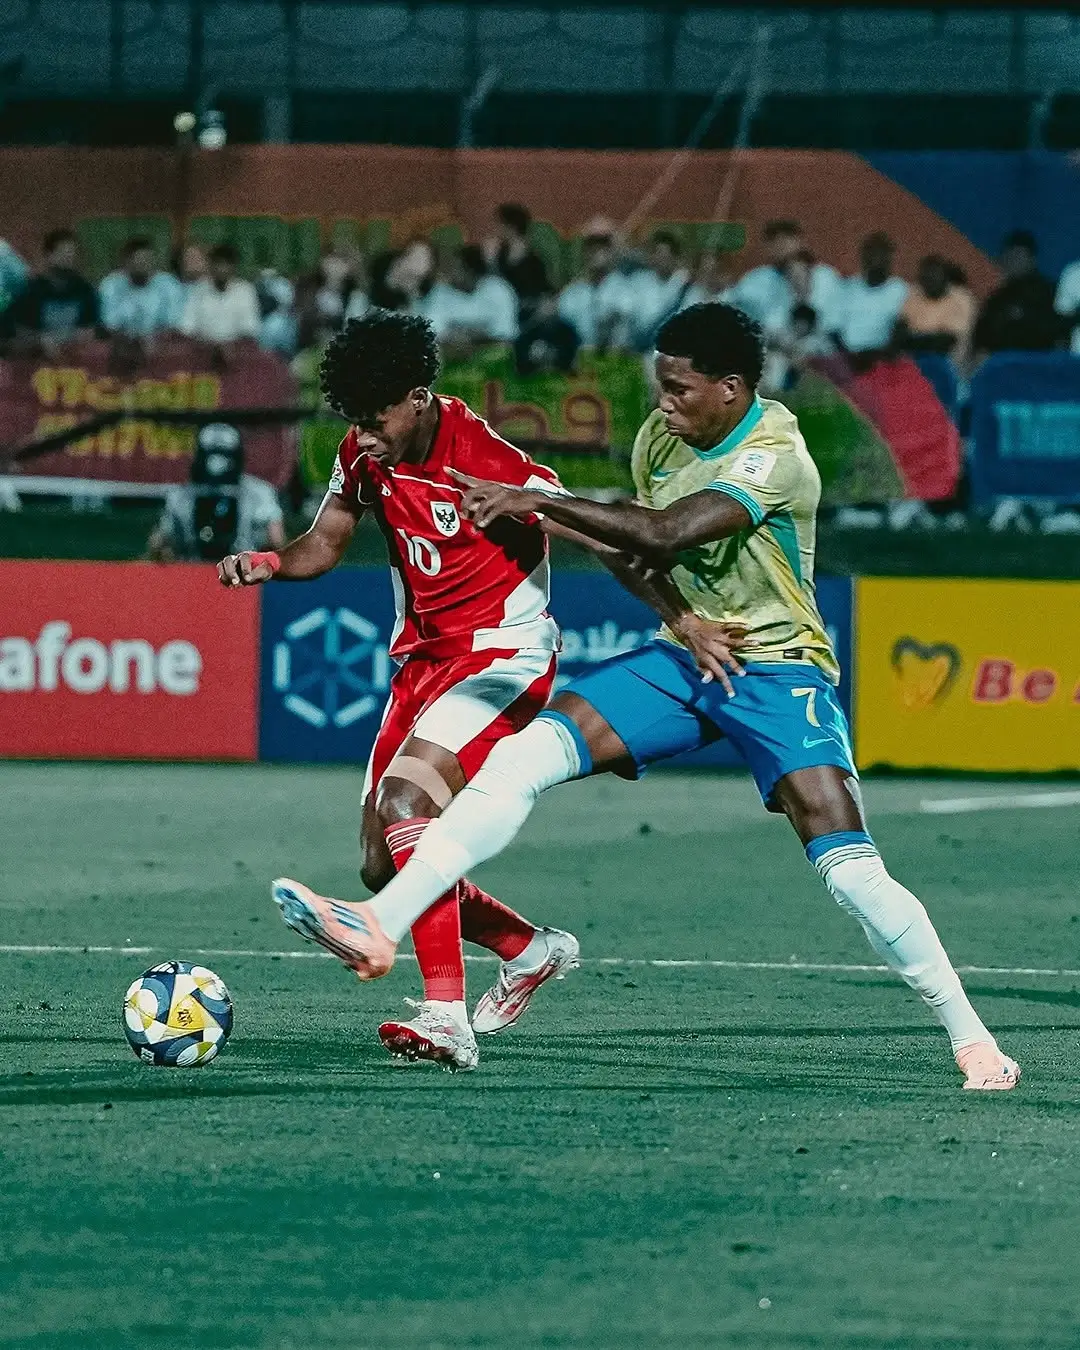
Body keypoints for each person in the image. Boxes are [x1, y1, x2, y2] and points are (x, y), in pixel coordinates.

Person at [277, 302, 1022, 1094]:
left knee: (850, 873)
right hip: (684, 661)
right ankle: (392, 933)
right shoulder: (661, 439)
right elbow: (635, 544)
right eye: (659, 387)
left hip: (775, 669)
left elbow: (666, 532)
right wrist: (683, 620)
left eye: (680, 389)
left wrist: (535, 499)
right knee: (522, 758)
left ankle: (972, 1039)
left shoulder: (776, 453)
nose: (663, 405)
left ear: (731, 388)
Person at [147, 422, 285, 562]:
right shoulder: (180, 496)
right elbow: (161, 543)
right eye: (211, 453)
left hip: (246, 572)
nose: (217, 462)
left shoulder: (260, 494)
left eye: (224, 454)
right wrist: (164, 551)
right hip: (192, 570)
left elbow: (276, 542)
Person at [729, 221, 842, 334]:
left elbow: (833, 318)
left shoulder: (826, 275)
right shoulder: (756, 278)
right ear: (767, 248)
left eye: (787, 238)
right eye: (774, 240)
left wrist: (801, 289)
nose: (781, 244)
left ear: (800, 242)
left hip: (819, 343)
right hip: (770, 343)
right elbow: (736, 310)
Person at [973, 230, 1061, 356]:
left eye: (1019, 256)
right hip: (999, 368)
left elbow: (1058, 334)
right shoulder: (995, 300)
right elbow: (981, 340)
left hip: (1038, 366)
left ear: (1031, 260)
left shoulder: (1049, 292)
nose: (1013, 261)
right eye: (1009, 256)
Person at [420, 244, 519, 350]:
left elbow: (506, 333)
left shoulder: (498, 289)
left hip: (492, 353)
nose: (450, 273)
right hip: (453, 355)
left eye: (456, 268)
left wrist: (472, 336)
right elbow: (434, 330)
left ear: (471, 270)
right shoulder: (440, 292)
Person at [13, 229, 98, 345]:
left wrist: (85, 334)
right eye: (63, 252)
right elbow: (20, 332)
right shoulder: (32, 290)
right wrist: (39, 340)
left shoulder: (84, 289)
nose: (69, 257)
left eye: (72, 253)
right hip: (40, 358)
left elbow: (91, 327)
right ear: (48, 256)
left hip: (76, 355)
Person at [557, 228, 635, 350]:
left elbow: (622, 317)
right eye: (591, 249)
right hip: (579, 356)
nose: (596, 253)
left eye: (602, 249)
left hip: (613, 355)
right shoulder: (574, 291)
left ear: (611, 254)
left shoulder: (624, 288)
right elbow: (563, 319)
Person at [835, 233, 909, 359]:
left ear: (889, 260)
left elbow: (901, 334)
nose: (875, 261)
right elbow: (835, 328)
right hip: (846, 358)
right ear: (863, 259)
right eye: (870, 255)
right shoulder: (848, 287)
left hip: (882, 361)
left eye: (881, 256)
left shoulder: (901, 291)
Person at [895, 254, 976, 369]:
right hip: (912, 363)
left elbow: (945, 343)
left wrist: (911, 340)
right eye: (925, 278)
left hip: (947, 365)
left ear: (946, 279)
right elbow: (899, 331)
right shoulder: (915, 293)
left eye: (934, 277)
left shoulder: (961, 298)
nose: (929, 282)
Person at [178, 243, 261, 346]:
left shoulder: (245, 290)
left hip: (236, 352)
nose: (221, 269)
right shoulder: (198, 290)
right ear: (211, 266)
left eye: (226, 265)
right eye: (218, 264)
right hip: (203, 349)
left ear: (234, 267)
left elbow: (249, 330)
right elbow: (187, 327)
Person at [99, 237, 178, 339]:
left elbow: (174, 325)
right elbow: (108, 325)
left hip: (160, 346)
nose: (144, 265)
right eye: (139, 260)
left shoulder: (168, 284)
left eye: (148, 260)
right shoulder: (111, 284)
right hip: (121, 345)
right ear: (126, 262)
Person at [486, 203, 551, 324]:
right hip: (501, 305)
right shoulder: (498, 253)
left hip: (526, 308)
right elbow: (493, 283)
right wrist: (490, 260)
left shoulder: (533, 259)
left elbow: (541, 291)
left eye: (499, 224)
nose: (496, 229)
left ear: (511, 227)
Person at [627, 231, 692, 349]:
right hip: (642, 347)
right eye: (658, 255)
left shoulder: (683, 284)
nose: (661, 261)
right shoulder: (639, 281)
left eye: (666, 257)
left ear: (675, 258)